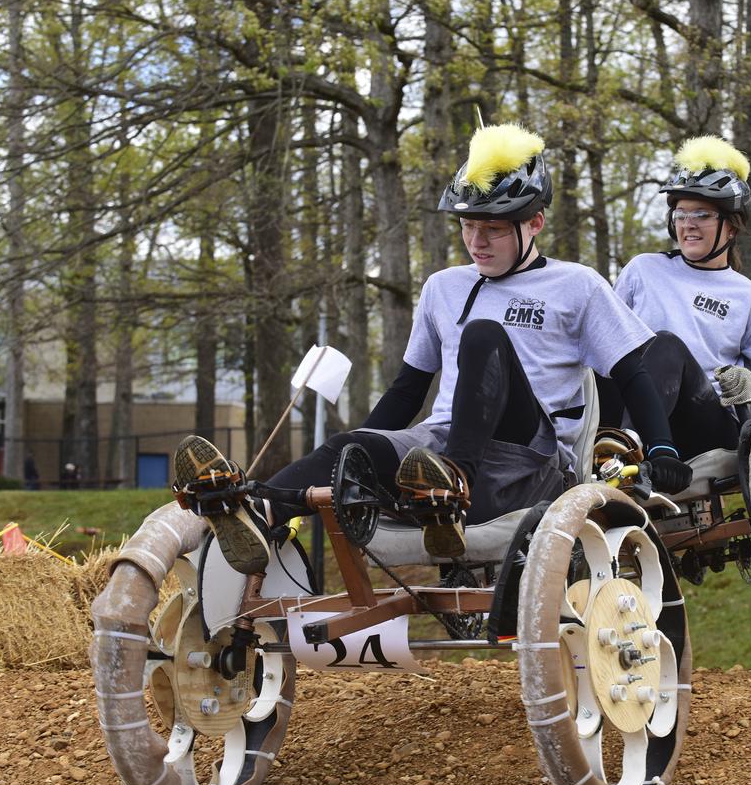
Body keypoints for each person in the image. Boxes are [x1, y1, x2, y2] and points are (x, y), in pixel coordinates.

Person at [175, 123, 691, 575]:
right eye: (468, 227)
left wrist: (664, 449)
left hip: (527, 464)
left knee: (484, 334)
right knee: (350, 447)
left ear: (534, 222)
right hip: (437, 449)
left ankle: (454, 486)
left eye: (492, 229)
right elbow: (407, 390)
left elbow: (633, 374)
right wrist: (359, 454)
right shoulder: (443, 287)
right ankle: (255, 510)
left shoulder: (577, 285)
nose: (477, 242)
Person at [600, 135, 751, 459]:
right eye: (681, 214)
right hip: (630, 405)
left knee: (666, 344)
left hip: (703, 424)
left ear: (732, 227)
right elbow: (604, 342)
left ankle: (628, 448)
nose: (688, 225)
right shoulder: (643, 269)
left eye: (702, 215)